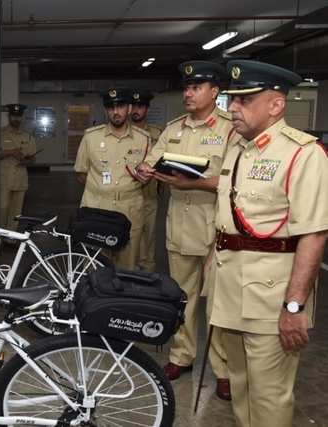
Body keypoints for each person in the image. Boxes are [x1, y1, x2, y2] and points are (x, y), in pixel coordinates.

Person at [206, 60, 328, 427]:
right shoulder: (239, 150)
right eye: (231, 100)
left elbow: (315, 233)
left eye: (245, 100)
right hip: (230, 290)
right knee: (241, 386)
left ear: (276, 105)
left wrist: (293, 307)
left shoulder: (303, 153)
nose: (233, 109)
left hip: (270, 298)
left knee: (269, 395)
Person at [135, 61, 232, 400]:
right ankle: (182, 356)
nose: (189, 93)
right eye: (186, 88)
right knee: (182, 298)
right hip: (179, 222)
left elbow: (235, 178)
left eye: (197, 87)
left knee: (218, 305)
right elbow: (154, 158)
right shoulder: (174, 128)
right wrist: (145, 169)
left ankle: (222, 370)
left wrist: (196, 182)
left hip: (216, 224)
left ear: (215, 92)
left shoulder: (231, 129)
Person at [74, 88, 150, 269]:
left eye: (121, 106)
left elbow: (147, 173)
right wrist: (103, 190)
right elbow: (81, 173)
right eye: (110, 107)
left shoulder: (143, 139)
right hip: (97, 208)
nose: (116, 112)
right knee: (94, 267)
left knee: (126, 267)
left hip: (129, 209)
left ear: (130, 108)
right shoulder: (91, 137)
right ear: (105, 110)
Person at [129, 91, 163, 273]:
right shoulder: (123, 132)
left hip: (149, 194)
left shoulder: (158, 133)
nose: (136, 110)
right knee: (126, 235)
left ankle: (146, 276)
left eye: (140, 107)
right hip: (127, 193)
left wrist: (162, 184)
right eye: (133, 107)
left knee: (148, 237)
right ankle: (124, 272)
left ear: (147, 109)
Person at [0, 103, 36, 248]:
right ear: (8, 116)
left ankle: (10, 239)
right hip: (4, 179)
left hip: (20, 179)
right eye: (13, 115)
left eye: (18, 116)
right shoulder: (0, 133)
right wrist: (11, 152)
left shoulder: (27, 135)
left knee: (16, 212)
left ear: (21, 118)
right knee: (2, 209)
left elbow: (33, 156)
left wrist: (28, 160)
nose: (16, 118)